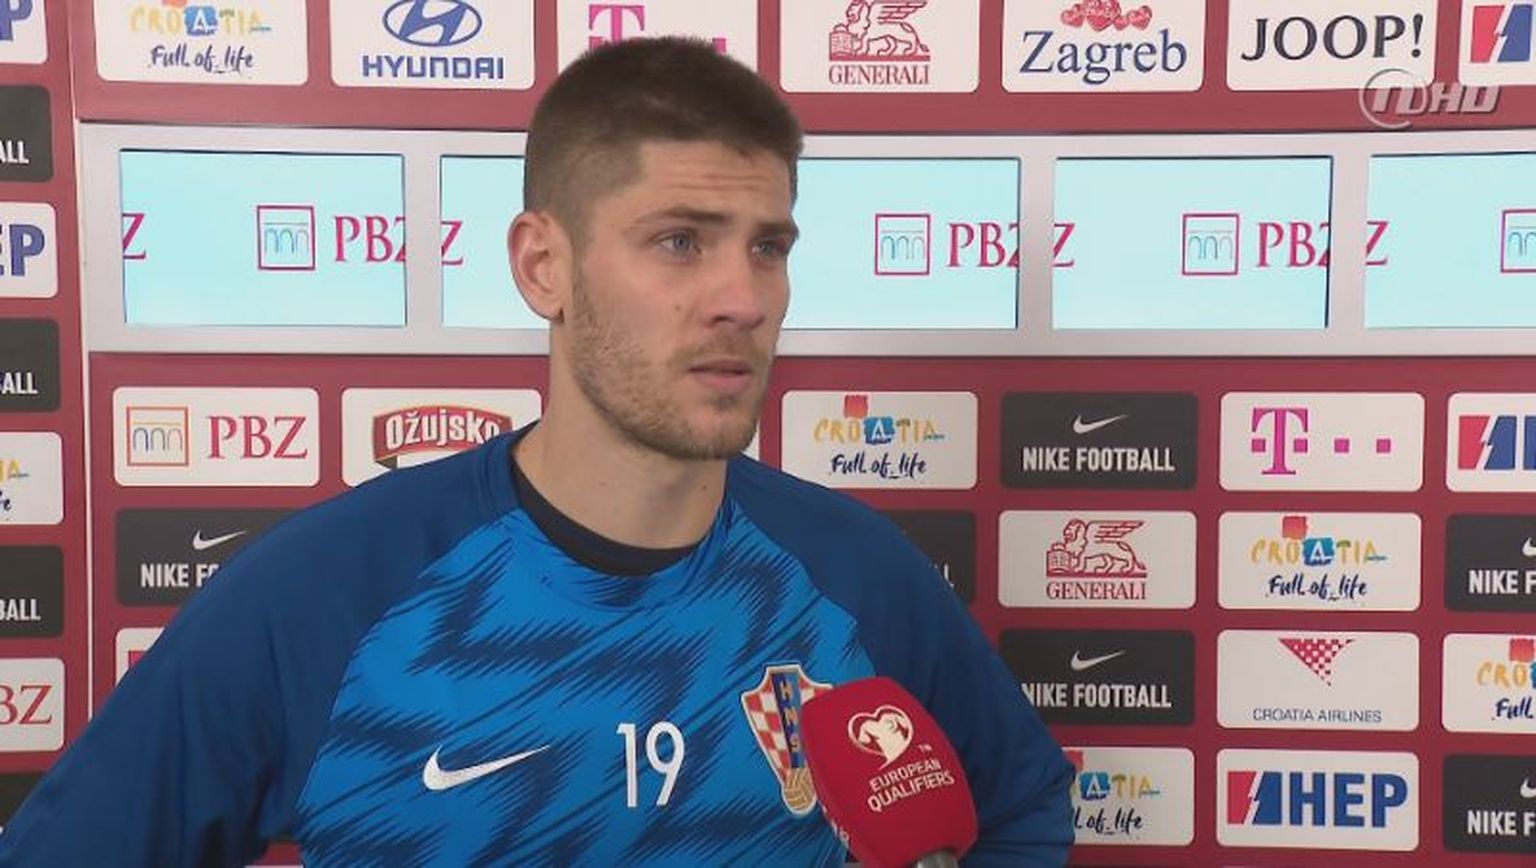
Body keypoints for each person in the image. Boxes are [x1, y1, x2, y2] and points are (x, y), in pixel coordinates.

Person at [0, 37, 1072, 866]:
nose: (743, 298)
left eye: (768, 247)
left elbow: (1022, 808)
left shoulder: (856, 577)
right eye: (680, 241)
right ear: (542, 267)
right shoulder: (323, 596)